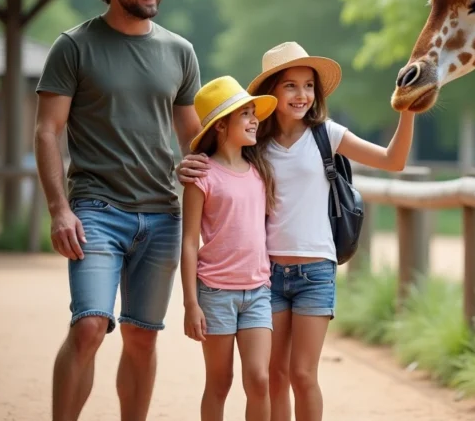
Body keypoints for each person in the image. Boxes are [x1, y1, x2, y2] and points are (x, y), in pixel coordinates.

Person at [177, 42, 416, 421]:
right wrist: (187, 167)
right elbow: (220, 166)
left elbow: (394, 160)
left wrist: (408, 110)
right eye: (291, 85)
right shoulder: (255, 143)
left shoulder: (327, 135)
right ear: (271, 90)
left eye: (308, 86)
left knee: (303, 375)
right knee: (274, 377)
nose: (302, 95)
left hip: (316, 272)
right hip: (266, 275)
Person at [34, 0, 203, 421]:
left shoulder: (180, 52)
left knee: (142, 337)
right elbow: (48, 131)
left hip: (162, 216)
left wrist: (210, 167)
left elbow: (192, 134)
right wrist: (58, 209)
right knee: (88, 327)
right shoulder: (74, 47)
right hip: (95, 211)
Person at [179, 75, 278, 421]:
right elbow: (190, 242)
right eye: (246, 115)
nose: (254, 121)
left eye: (254, 113)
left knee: (260, 379)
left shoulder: (260, 171)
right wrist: (191, 304)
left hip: (258, 292)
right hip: (216, 293)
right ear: (221, 126)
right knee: (219, 383)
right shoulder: (201, 176)